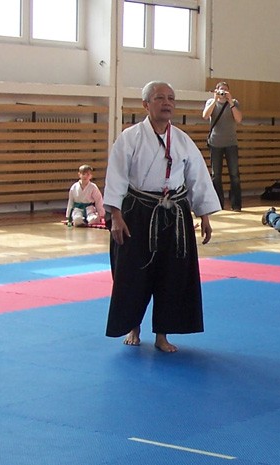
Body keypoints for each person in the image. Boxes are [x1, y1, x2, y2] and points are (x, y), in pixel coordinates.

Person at [103, 81, 221, 353]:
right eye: (159, 98)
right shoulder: (130, 138)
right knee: (133, 273)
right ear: (146, 105)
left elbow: (197, 177)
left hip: (175, 214)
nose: (166, 102)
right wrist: (115, 216)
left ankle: (162, 335)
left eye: (171, 98)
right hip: (137, 212)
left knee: (172, 275)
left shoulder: (181, 140)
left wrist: (204, 214)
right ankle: (133, 327)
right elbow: (116, 177)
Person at [202, 81, 243, 211]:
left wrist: (230, 102)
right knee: (216, 175)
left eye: (225, 90)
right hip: (215, 143)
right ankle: (218, 204)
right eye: (221, 90)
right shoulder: (211, 102)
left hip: (231, 143)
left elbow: (239, 119)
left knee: (234, 175)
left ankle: (236, 204)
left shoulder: (234, 103)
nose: (223, 92)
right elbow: (205, 116)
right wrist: (215, 100)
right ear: (216, 90)